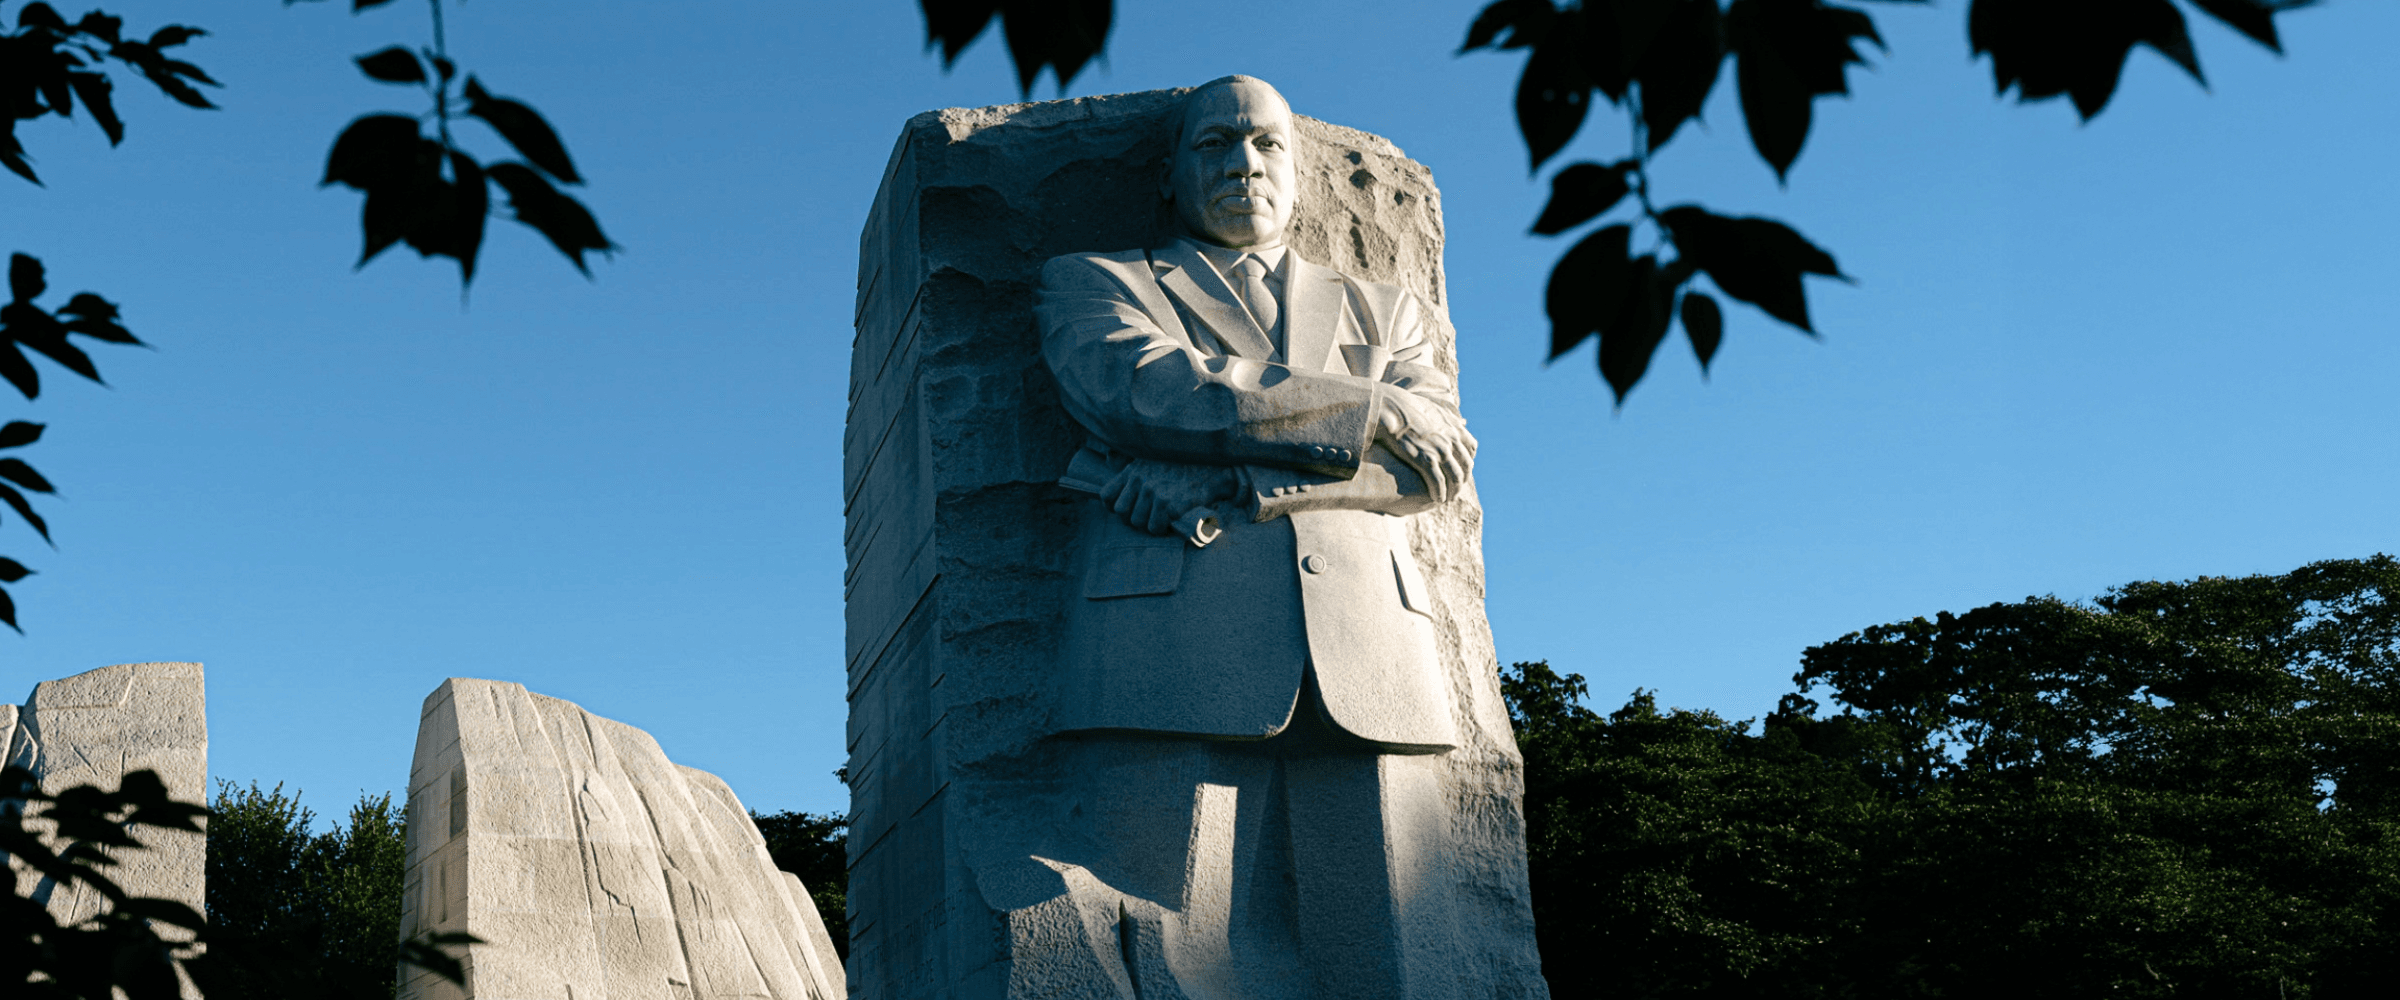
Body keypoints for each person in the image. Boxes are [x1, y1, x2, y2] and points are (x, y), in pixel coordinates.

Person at [1023, 74, 1483, 1000]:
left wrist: (1237, 479)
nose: (1243, 162)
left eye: (1268, 143)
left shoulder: (1388, 309)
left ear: (1300, 173)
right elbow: (1150, 391)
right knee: (1167, 948)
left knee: (1401, 960)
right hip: (1170, 642)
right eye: (1215, 143)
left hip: (1371, 649)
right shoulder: (1098, 283)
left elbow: (1433, 467)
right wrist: (1371, 405)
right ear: (1170, 173)